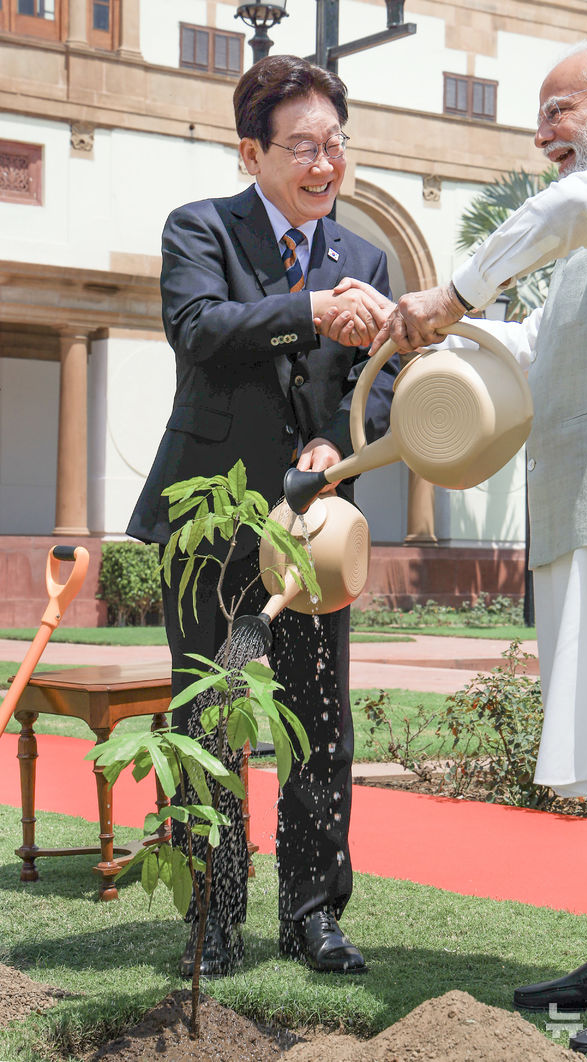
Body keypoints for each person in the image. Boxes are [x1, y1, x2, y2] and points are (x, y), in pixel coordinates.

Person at [345, 35, 587, 1054]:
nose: (540, 136)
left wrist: (453, 287)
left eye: (558, 111)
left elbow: (562, 212)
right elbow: (536, 344)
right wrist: (421, 323)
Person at [127, 54, 398, 978]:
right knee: (213, 717)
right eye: (304, 147)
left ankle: (315, 918)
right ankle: (216, 917)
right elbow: (198, 328)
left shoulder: (368, 259)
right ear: (253, 153)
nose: (326, 165)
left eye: (337, 145)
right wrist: (309, 311)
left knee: (320, 724)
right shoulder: (199, 228)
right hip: (211, 525)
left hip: (315, 535)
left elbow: (381, 381)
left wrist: (336, 447)